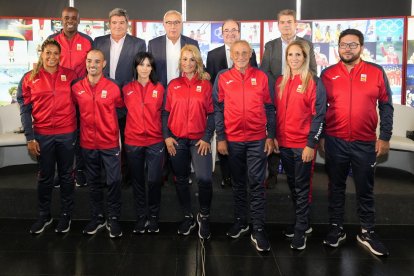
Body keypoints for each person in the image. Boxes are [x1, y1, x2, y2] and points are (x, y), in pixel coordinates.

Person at [320, 29, 393, 256]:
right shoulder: (327, 74)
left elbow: (386, 106)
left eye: (353, 44)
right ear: (338, 48)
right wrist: (320, 136)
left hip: (365, 143)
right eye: (343, 45)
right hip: (335, 141)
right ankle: (336, 228)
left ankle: (367, 232)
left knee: (365, 189)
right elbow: (320, 109)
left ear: (361, 47)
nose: (348, 49)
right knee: (336, 187)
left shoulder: (376, 71)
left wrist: (385, 137)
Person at [214, 40, 275, 252]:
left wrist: (271, 136)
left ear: (250, 54)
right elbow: (218, 109)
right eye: (236, 52)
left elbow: (269, 108)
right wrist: (221, 137)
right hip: (232, 140)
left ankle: (258, 229)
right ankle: (240, 221)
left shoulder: (262, 77)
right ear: (231, 54)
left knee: (257, 183)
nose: (240, 56)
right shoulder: (222, 77)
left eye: (244, 52)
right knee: (238, 183)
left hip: (257, 139)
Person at [17, 38, 77, 234]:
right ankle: (44, 215)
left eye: (55, 54)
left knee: (67, 176)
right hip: (42, 135)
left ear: (61, 56)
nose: (52, 57)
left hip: (67, 133)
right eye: (48, 53)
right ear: (42, 54)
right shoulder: (29, 78)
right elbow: (25, 110)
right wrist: (30, 137)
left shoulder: (70, 75)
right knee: (45, 177)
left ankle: (66, 216)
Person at [274, 40, 326, 250]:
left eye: (298, 55)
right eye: (290, 55)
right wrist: (275, 136)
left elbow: (319, 115)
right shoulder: (281, 81)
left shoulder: (313, 82)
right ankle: (302, 224)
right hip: (284, 144)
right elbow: (276, 113)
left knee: (303, 188)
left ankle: (300, 231)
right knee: (294, 186)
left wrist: (311, 144)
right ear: (286, 58)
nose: (294, 59)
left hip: (303, 145)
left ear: (305, 58)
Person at [261, 9, 317, 189]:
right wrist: (277, 90)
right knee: (274, 132)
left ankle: (299, 175)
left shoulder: (307, 44)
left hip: (299, 96)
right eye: (282, 22)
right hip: (276, 95)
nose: (286, 25)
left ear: (296, 24)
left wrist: (297, 84)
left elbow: (313, 71)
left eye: (289, 22)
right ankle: (273, 173)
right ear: (278, 25)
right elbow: (265, 71)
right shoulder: (270, 45)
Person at [163, 45, 214, 240]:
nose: (188, 63)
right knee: (181, 179)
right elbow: (165, 112)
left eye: (192, 59)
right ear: (180, 62)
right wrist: (167, 136)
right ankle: (187, 216)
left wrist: (206, 137)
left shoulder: (206, 85)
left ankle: (204, 216)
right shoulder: (173, 84)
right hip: (176, 140)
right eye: (184, 59)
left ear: (198, 62)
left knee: (205, 179)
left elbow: (211, 114)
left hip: (198, 140)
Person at [72, 49, 124, 238]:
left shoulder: (113, 87)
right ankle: (97, 217)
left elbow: (120, 109)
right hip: (87, 143)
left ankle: (113, 218)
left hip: (109, 143)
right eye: (89, 61)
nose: (92, 65)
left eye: (97, 61)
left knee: (114, 181)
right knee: (93, 183)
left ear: (104, 64)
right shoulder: (77, 87)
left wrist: (108, 126)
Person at [94, 8, 146, 186]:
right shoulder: (98, 41)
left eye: (121, 22)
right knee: (103, 137)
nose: (118, 26)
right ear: (109, 24)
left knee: (127, 139)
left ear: (127, 24)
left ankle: (126, 176)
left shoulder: (138, 44)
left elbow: (138, 73)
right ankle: (105, 175)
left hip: (126, 100)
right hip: (102, 100)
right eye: (114, 22)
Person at [206, 19, 258, 188]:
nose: (230, 33)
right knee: (224, 142)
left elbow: (254, 76)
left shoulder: (251, 53)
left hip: (245, 110)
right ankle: (227, 176)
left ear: (239, 32)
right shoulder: (213, 55)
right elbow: (213, 81)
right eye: (226, 30)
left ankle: (243, 177)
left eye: (233, 30)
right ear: (221, 34)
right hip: (224, 107)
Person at [48, 6, 93, 188]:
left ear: (79, 20)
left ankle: (80, 170)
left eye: (74, 18)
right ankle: (62, 172)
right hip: (59, 97)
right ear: (61, 19)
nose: (70, 21)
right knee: (62, 136)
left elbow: (93, 66)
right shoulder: (52, 40)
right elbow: (46, 65)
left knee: (81, 134)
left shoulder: (88, 41)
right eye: (67, 18)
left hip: (82, 95)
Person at [122, 52, 165, 234]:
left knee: (154, 180)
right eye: (141, 64)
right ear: (136, 67)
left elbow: (164, 113)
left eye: (148, 65)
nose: (145, 68)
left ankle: (153, 216)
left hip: (155, 141)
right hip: (133, 141)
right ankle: (141, 217)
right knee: (138, 181)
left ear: (152, 68)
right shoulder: (126, 89)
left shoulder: (160, 88)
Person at [148, 10, 200, 88]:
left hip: (185, 90)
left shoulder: (192, 43)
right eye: (169, 23)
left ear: (181, 24)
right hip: (161, 90)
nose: (173, 26)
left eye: (176, 22)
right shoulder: (153, 44)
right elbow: (149, 68)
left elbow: (199, 65)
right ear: (163, 25)